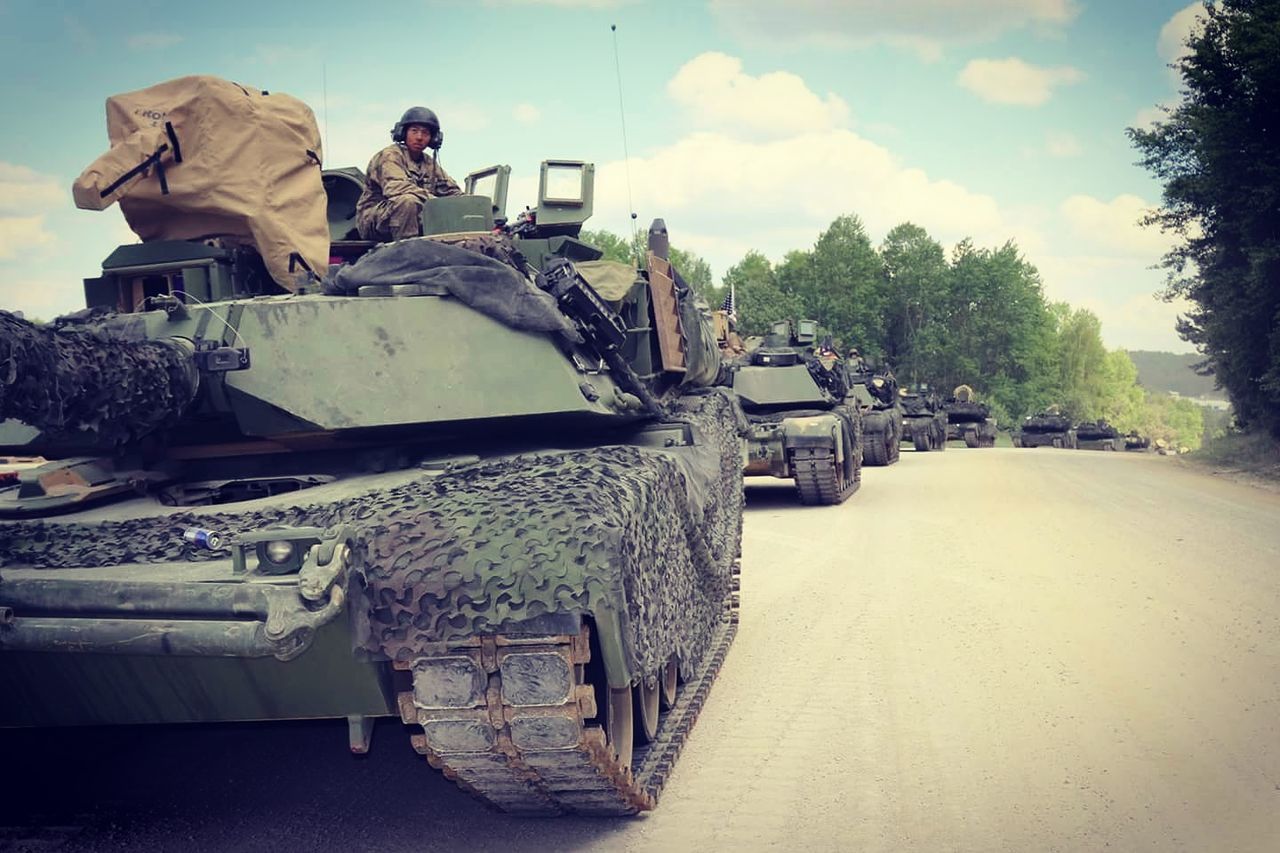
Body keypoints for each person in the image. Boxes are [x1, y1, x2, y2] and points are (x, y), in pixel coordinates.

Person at [356, 107, 461, 241]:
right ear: (403, 133)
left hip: (412, 217)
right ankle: (407, 251)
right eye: (414, 131)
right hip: (374, 220)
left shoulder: (429, 163)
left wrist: (469, 204)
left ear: (433, 138)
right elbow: (396, 188)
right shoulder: (390, 156)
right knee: (408, 201)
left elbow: (452, 191)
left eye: (425, 133)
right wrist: (433, 200)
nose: (419, 137)